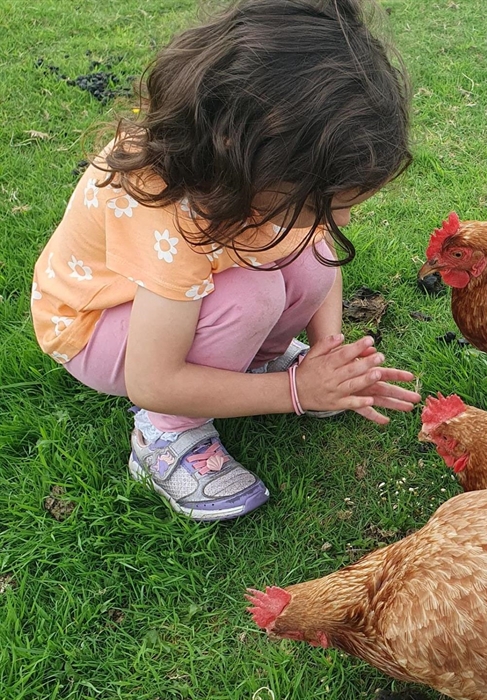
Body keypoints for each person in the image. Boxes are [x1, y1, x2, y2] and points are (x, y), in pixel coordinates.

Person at [30, 0, 421, 521]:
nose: (343, 219)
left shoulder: (240, 173)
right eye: (323, 201)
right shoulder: (168, 211)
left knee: (311, 251)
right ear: (258, 158)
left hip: (165, 309)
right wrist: (297, 392)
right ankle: (165, 435)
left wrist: (328, 351)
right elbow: (153, 377)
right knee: (251, 294)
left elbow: (321, 252)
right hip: (96, 328)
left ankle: (255, 362)